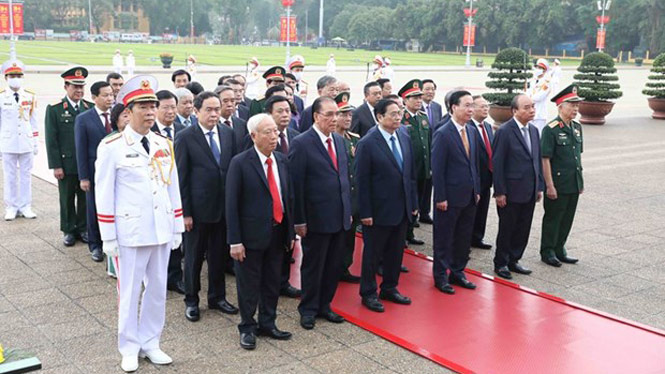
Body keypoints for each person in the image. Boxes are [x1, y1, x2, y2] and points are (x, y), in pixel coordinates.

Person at [95, 75, 183, 372]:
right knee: (130, 291)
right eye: (143, 106)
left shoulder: (163, 143)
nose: (149, 112)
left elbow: (173, 186)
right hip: (130, 232)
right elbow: (104, 193)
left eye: (152, 106)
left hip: (160, 228)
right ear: (128, 111)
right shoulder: (112, 146)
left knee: (158, 290)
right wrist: (108, 236)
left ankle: (151, 342)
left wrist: (177, 226)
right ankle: (129, 346)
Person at [226, 113, 295, 350]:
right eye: (268, 132)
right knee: (248, 285)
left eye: (275, 131)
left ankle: (268, 322)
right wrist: (235, 240)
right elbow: (232, 205)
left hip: (277, 233)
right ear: (254, 136)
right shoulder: (241, 163)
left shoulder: (282, 160)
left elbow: (288, 197)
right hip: (250, 236)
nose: (274, 136)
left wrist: (291, 233)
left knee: (272, 282)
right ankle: (247, 326)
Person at [175, 91, 239, 322]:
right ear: (197, 111)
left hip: (222, 209)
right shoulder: (185, 137)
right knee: (193, 258)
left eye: (216, 109)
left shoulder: (228, 133)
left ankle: (217, 297)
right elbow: (181, 178)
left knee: (219, 256)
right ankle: (191, 300)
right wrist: (186, 213)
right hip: (198, 211)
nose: (214, 114)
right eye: (209, 110)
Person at [289, 96, 351, 330]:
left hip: (339, 217)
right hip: (315, 219)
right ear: (316, 116)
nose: (335, 119)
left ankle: (325, 305)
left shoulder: (339, 140)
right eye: (329, 115)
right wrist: (300, 220)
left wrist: (347, 210)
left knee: (333, 265)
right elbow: (297, 185)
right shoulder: (302, 143)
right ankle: (308, 309)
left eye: (337, 114)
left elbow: (343, 178)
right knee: (314, 266)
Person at [356, 99, 418, 313]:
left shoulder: (403, 135)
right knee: (373, 254)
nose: (398, 117)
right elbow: (361, 181)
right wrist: (365, 212)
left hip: (401, 207)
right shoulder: (367, 143)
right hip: (378, 210)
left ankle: (390, 287)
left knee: (395, 253)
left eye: (399, 112)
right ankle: (369, 292)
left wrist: (414, 203)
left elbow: (409, 174)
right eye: (392, 114)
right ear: (379, 117)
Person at [431, 90, 480, 295]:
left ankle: (458, 271)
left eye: (472, 106)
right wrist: (440, 196)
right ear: (454, 107)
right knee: (444, 237)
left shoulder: (471, 131)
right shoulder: (443, 133)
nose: (471, 110)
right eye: (467, 105)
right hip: (449, 198)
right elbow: (438, 168)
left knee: (463, 236)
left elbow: (474, 164)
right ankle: (441, 275)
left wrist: (476, 189)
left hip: (468, 195)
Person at [492, 94, 543, 279]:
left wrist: (539, 186)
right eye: (526, 107)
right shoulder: (505, 131)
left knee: (523, 227)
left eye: (532, 107)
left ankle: (514, 259)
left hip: (529, 190)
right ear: (515, 111)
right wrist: (499, 192)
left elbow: (536, 160)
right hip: (510, 191)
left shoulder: (534, 131)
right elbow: (497, 164)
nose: (531, 111)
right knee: (507, 228)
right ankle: (501, 263)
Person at [45, 67, 93, 247]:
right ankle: (68, 229)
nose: (79, 91)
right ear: (66, 86)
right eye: (75, 87)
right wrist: (56, 165)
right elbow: (52, 140)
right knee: (66, 197)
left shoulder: (90, 108)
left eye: (82, 87)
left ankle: (82, 228)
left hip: (85, 163)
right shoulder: (55, 110)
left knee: (84, 198)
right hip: (66, 163)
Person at [540, 84, 583, 267]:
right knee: (553, 218)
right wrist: (549, 185)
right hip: (557, 183)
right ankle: (547, 251)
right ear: (560, 106)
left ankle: (560, 248)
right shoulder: (551, 129)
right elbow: (545, 159)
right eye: (571, 105)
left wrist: (580, 182)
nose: (575, 109)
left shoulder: (577, 127)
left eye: (577, 105)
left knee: (567, 218)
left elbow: (577, 157)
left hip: (573, 182)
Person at [74, 81, 114, 262]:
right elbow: (80, 149)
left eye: (111, 95)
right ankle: (95, 245)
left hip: (115, 170)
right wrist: (83, 177)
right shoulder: (84, 119)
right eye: (105, 95)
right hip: (93, 170)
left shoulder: (118, 115)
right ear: (94, 98)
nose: (109, 98)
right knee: (94, 208)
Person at [151, 90, 186, 294]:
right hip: (156, 193)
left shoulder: (182, 129)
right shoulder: (149, 131)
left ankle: (174, 277)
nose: (171, 111)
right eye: (166, 107)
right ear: (156, 109)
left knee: (175, 236)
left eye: (174, 106)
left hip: (177, 191)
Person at [0, 59, 38, 221]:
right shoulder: (1, 97)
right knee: (9, 176)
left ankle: (25, 206)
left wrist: (35, 142)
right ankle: (11, 206)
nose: (16, 78)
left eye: (18, 75)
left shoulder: (29, 95)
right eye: (12, 75)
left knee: (25, 175)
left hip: (26, 141)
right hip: (8, 141)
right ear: (6, 78)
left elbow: (33, 120)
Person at [334, 92, 361, 284]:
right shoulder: (331, 139)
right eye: (343, 114)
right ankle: (333, 269)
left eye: (350, 115)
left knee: (349, 236)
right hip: (336, 198)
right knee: (336, 238)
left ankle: (344, 268)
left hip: (353, 197)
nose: (348, 118)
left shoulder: (354, 139)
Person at [399, 79, 429, 245]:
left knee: (417, 201)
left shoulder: (423, 118)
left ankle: (410, 232)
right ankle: (402, 235)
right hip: (408, 169)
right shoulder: (401, 118)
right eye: (414, 97)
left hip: (422, 168)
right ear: (405, 100)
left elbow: (427, 144)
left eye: (420, 97)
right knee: (406, 202)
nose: (419, 100)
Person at [470, 95, 494, 250]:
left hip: (487, 177)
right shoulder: (468, 128)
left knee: (483, 209)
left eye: (487, 106)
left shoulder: (488, 127)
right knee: (471, 211)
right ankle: (465, 240)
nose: (486, 109)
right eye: (482, 106)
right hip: (474, 178)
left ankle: (478, 237)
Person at [527, 58, 552, 134]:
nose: (537, 69)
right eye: (537, 67)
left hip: (539, 114)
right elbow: (527, 92)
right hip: (529, 112)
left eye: (540, 68)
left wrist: (528, 98)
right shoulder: (532, 80)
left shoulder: (547, 82)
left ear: (544, 70)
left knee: (538, 136)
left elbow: (539, 97)